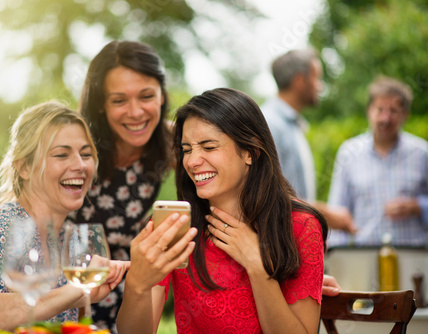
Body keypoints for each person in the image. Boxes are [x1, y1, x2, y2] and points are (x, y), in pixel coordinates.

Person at [117, 88, 329, 333]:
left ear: (250, 151)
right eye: (187, 149)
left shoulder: (300, 226)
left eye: (208, 147)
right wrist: (137, 285)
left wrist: (258, 269)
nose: (192, 161)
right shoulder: (177, 229)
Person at [0, 101, 128, 334]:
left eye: (86, 154)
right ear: (24, 166)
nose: (80, 165)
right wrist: (78, 288)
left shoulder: (70, 240)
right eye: (61, 154)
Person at [68, 40, 173, 331]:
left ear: (162, 95)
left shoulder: (170, 142)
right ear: (101, 104)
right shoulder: (77, 144)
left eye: (146, 96)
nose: (136, 112)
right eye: (119, 100)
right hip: (69, 289)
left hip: (127, 291)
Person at [261, 48, 357, 234]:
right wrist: (325, 214)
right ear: (299, 81)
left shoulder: (291, 124)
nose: (320, 86)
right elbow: (269, 196)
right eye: (316, 78)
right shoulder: (270, 124)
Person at [327, 76, 428, 247]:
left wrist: (417, 206)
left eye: (393, 111)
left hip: (415, 259)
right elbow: (338, 211)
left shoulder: (422, 153)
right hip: (365, 258)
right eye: (380, 109)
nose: (385, 118)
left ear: (405, 115)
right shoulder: (349, 153)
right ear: (369, 111)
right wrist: (335, 257)